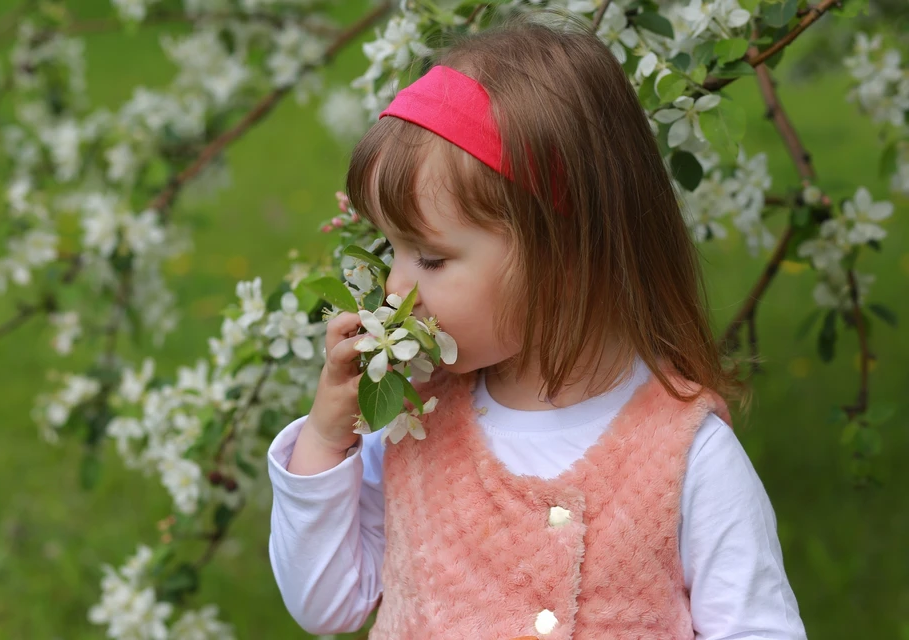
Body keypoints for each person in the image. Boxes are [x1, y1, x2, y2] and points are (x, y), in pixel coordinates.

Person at [267, 11, 807, 640]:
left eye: (432, 258)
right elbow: (324, 605)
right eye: (393, 252)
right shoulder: (413, 425)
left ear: (566, 250)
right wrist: (328, 441)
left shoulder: (687, 458)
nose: (394, 287)